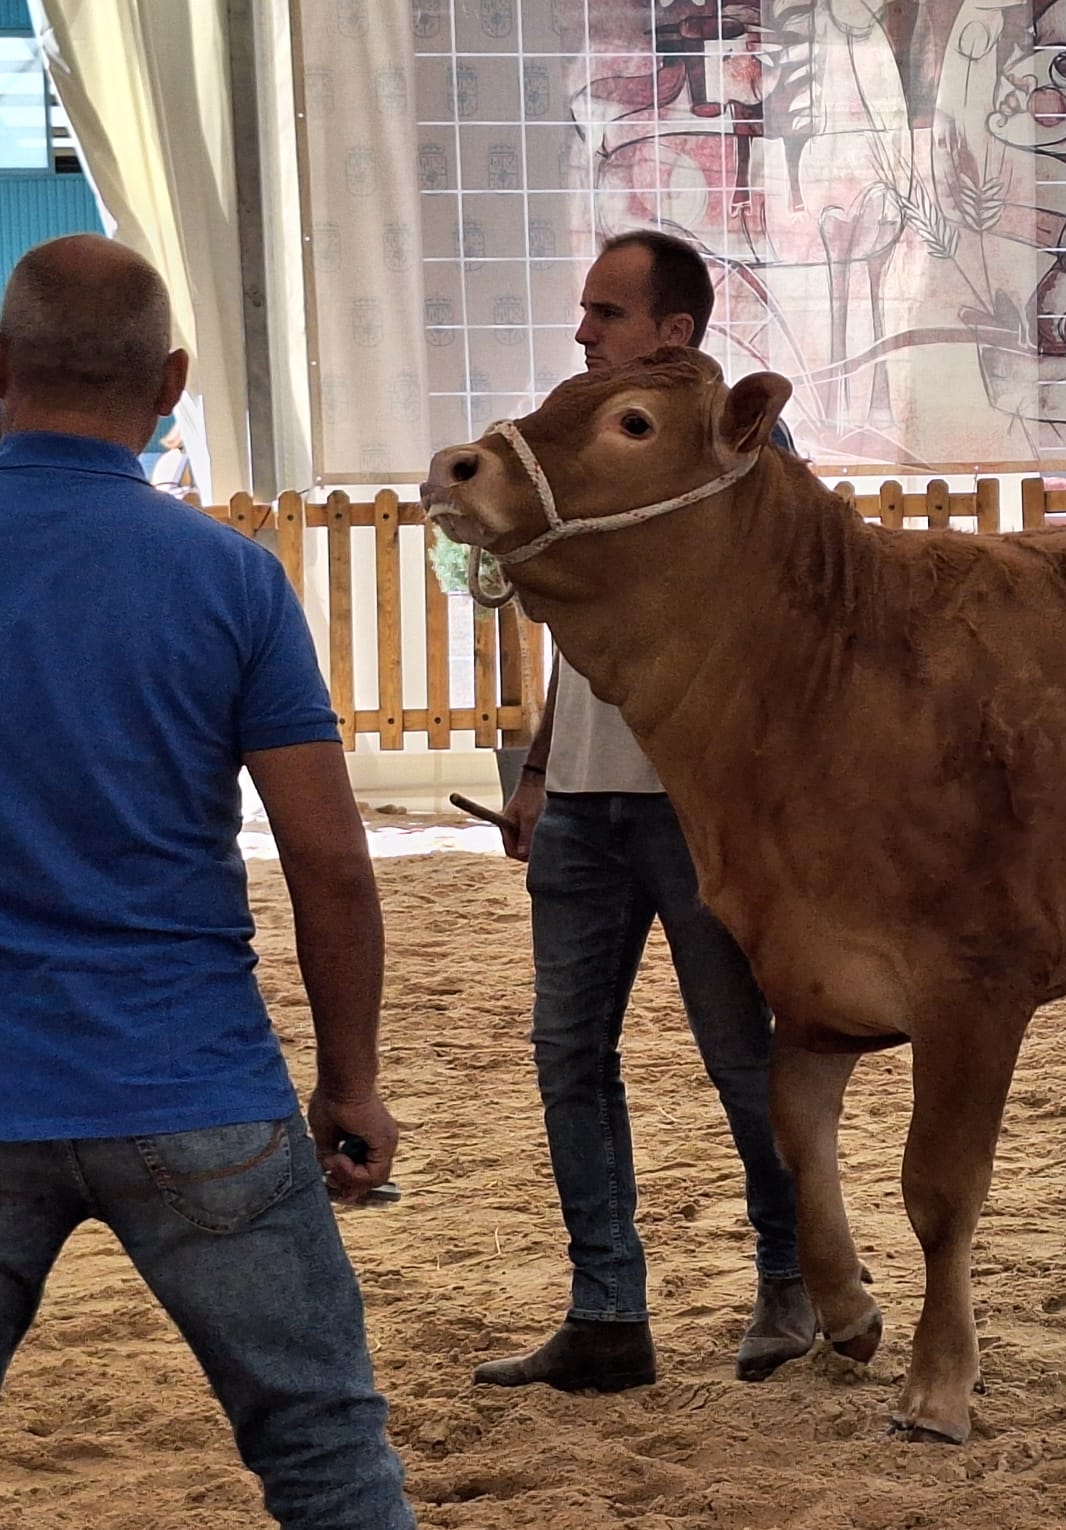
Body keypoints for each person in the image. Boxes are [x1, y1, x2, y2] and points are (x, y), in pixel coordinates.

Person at [0, 235, 411, 1527]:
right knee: (327, 1454)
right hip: (193, 1080)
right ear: (172, 381)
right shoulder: (232, 577)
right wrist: (350, 1078)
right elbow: (331, 863)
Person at [471, 230, 813, 1394]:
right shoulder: (585, 450)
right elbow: (586, 625)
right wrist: (535, 769)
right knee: (568, 1054)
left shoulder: (740, 449)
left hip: (694, 808)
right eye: (587, 312)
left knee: (736, 1056)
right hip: (582, 803)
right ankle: (607, 1312)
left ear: (675, 332)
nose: (585, 332)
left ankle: (794, 1277)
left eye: (608, 314)